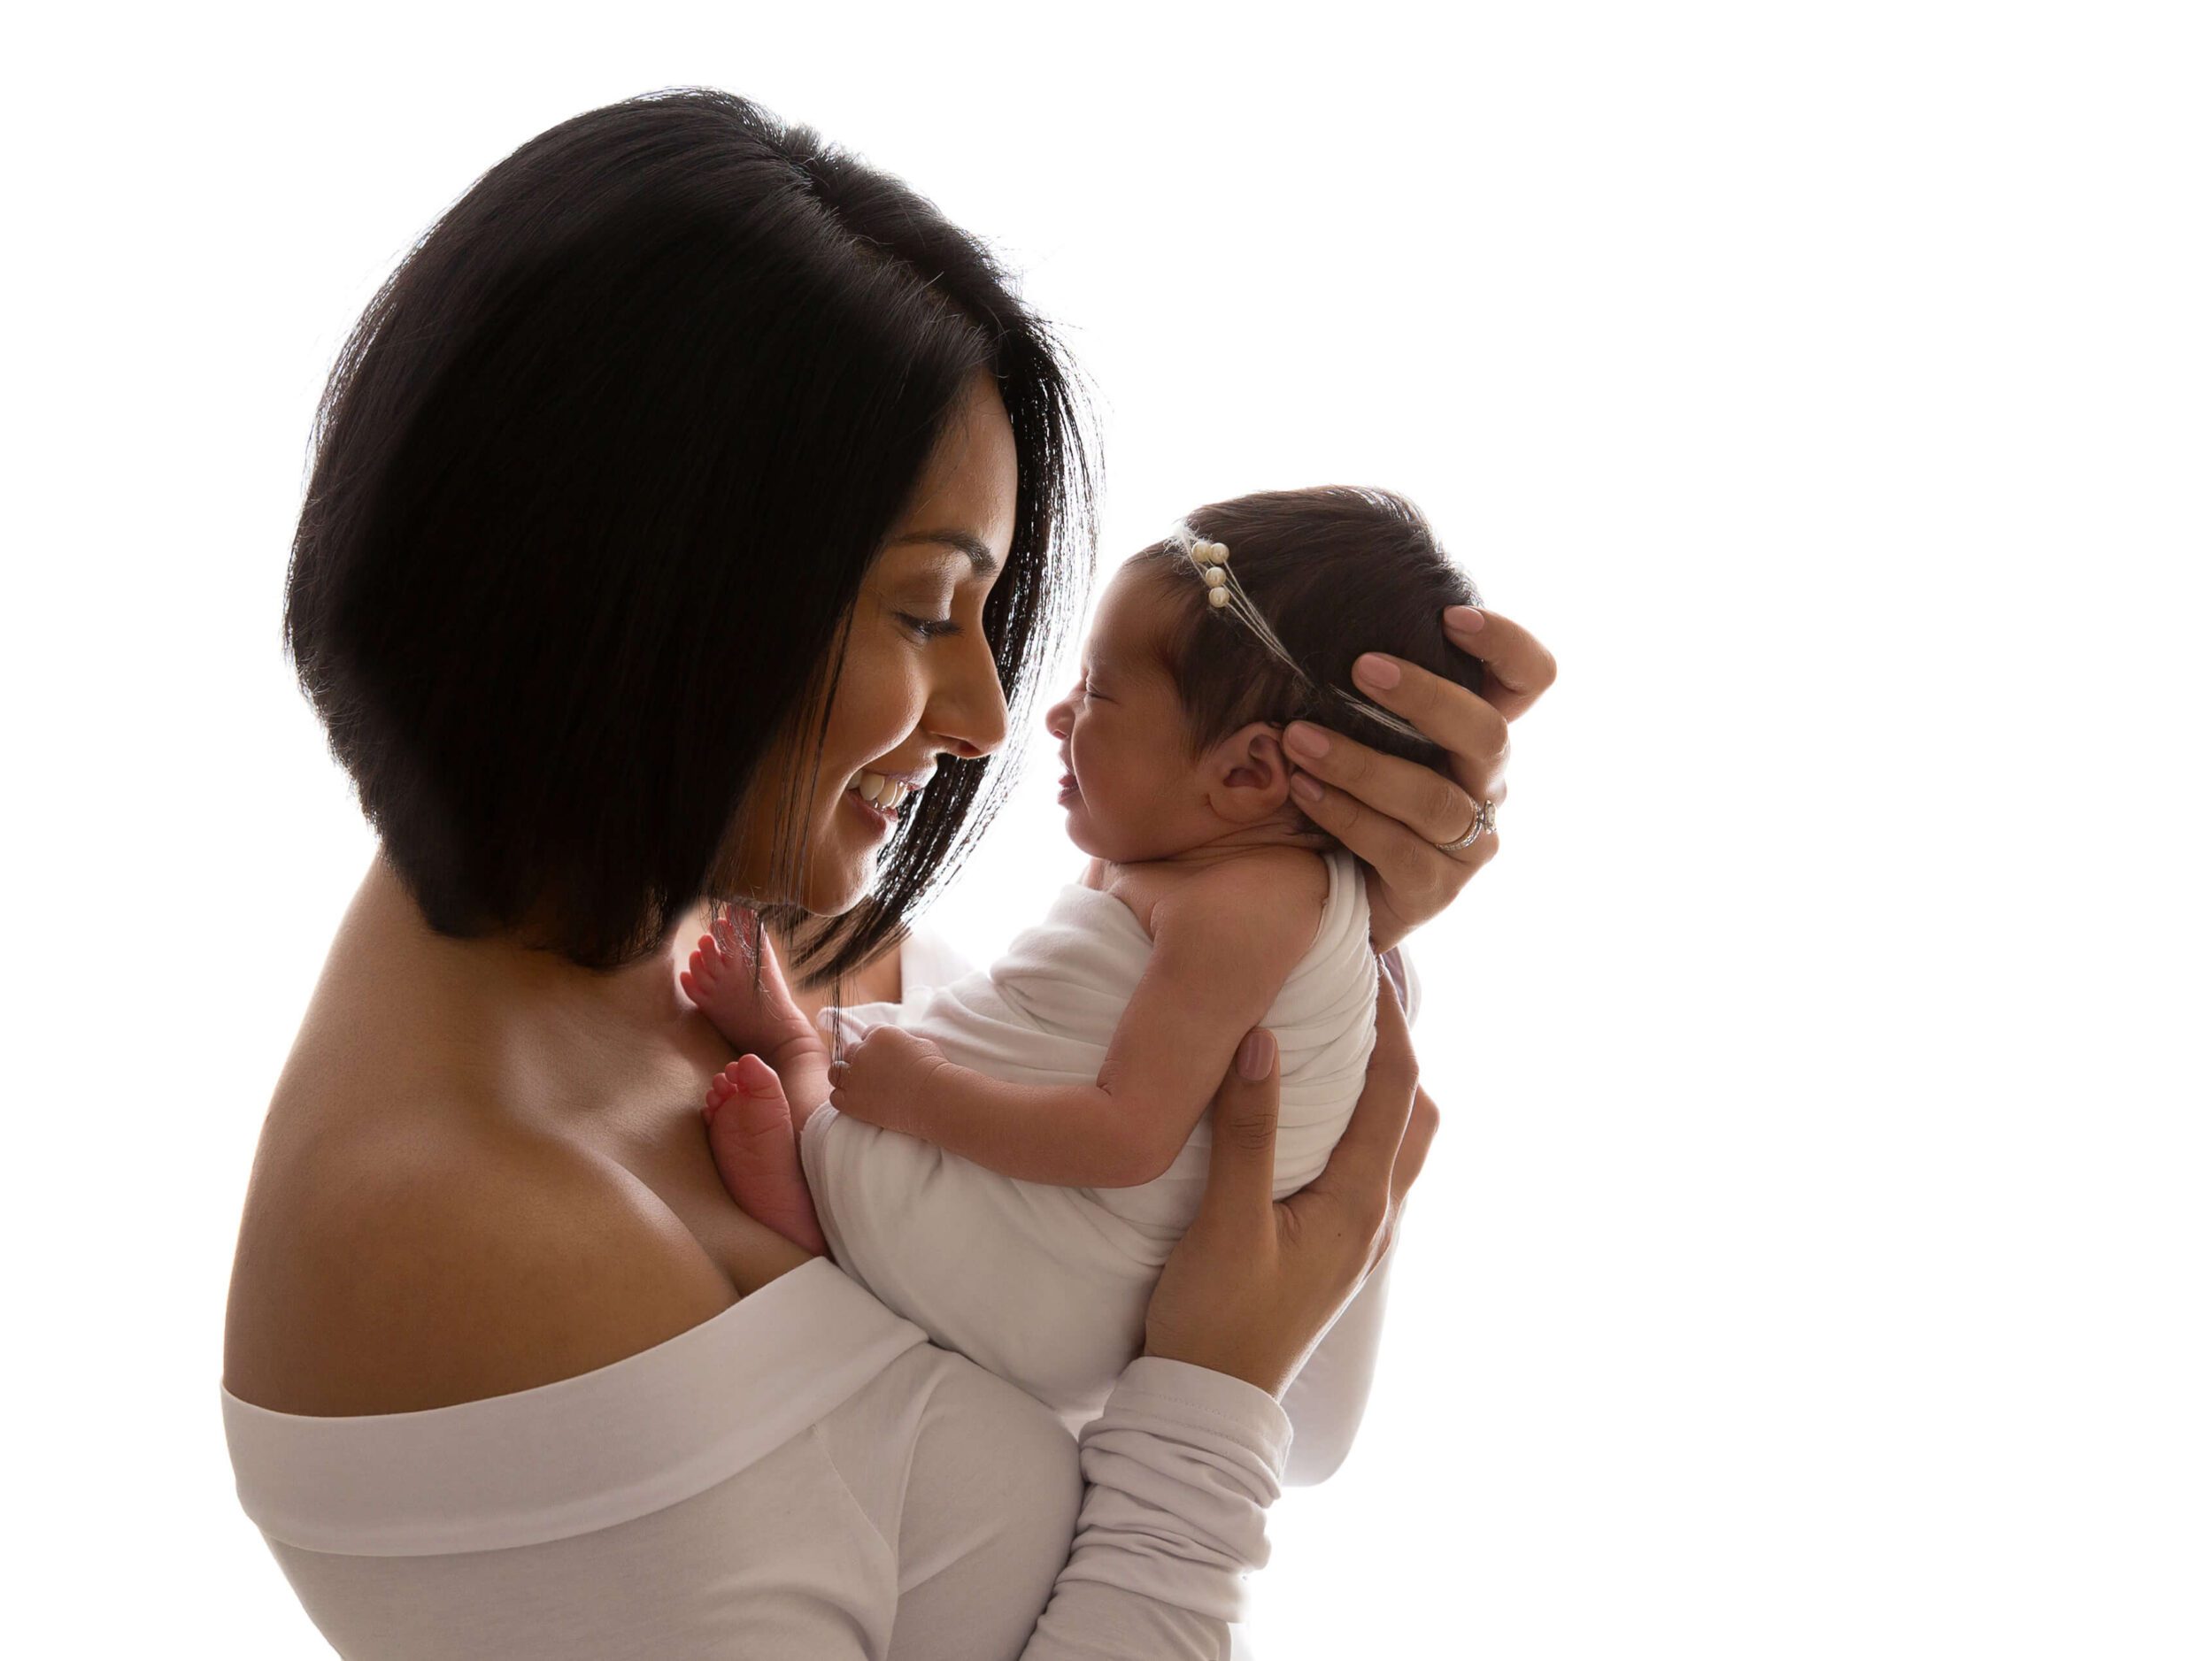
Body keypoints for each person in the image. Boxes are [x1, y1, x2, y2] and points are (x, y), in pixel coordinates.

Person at [220, 88, 1555, 1658]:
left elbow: (1276, 1370)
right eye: (931, 611)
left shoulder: (780, 937)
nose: (991, 719)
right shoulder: (476, 1248)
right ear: (654, 587)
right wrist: (1210, 1402)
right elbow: (1226, 1379)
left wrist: (1329, 923)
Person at [684, 487, 1488, 1434]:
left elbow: (1128, 1137)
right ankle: (812, 1103)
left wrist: (926, 1095)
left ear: (1246, 772)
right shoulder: (1214, 873)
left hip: (1045, 1293)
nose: (1053, 714)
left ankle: (804, 1124)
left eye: (1099, 690)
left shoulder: (1249, 908)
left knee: (869, 1085)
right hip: (1077, 1316)